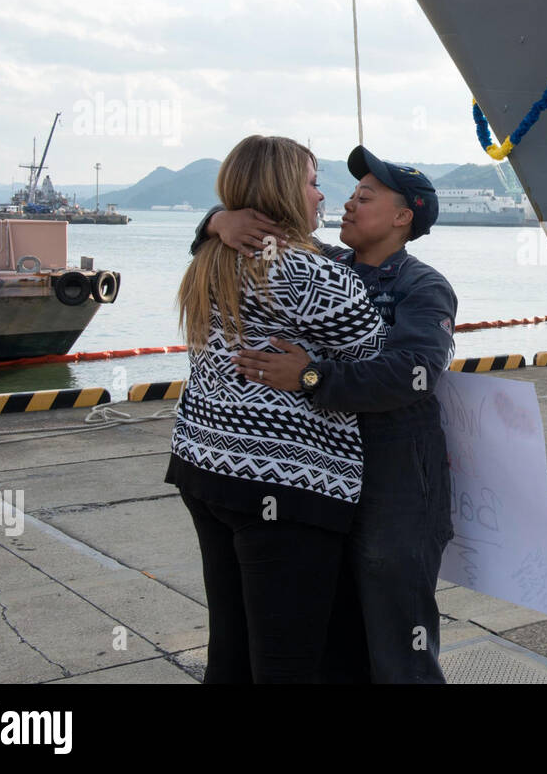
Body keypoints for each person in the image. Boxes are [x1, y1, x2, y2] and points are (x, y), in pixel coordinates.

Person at [191, 146, 457, 683]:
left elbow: (417, 372)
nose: (346, 203)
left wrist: (313, 378)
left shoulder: (422, 286)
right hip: (330, 470)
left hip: (395, 472)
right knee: (338, 626)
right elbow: (249, 249)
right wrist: (219, 220)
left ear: (404, 217)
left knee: (395, 625)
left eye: (366, 197)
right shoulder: (325, 265)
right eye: (347, 193)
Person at [167, 135, 385, 683]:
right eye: (312, 182)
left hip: (205, 466)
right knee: (287, 661)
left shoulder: (211, 257)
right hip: (284, 484)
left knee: (232, 647)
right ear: (285, 191)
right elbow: (379, 365)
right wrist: (313, 371)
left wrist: (217, 220)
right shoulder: (310, 274)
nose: (321, 196)